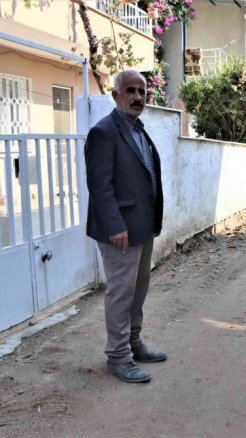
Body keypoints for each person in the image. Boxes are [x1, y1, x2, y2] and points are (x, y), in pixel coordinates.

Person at [85, 70, 166, 384]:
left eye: (142, 92)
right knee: (121, 292)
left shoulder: (137, 129)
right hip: (119, 230)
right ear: (115, 95)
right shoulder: (103, 132)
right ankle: (118, 356)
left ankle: (133, 342)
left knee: (138, 289)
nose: (137, 97)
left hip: (142, 226)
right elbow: (100, 186)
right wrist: (115, 225)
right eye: (130, 90)